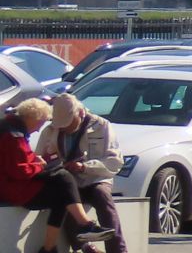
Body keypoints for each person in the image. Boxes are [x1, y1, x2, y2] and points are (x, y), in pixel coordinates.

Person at [0, 99, 113, 253]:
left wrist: (35, 160)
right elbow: (19, 171)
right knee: (63, 176)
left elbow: (16, 161)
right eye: (40, 124)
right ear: (34, 118)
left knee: (61, 193)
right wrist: (40, 165)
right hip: (11, 189)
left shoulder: (9, 128)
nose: (38, 130)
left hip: (9, 184)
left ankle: (50, 248)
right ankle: (85, 225)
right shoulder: (14, 136)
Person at [36, 96, 124, 253]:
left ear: (81, 113)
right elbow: (38, 159)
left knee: (102, 197)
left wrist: (84, 167)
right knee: (68, 207)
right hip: (68, 182)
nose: (64, 129)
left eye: (68, 124)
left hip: (96, 178)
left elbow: (114, 162)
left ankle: (118, 250)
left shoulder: (102, 126)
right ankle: (86, 248)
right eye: (61, 126)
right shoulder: (50, 130)